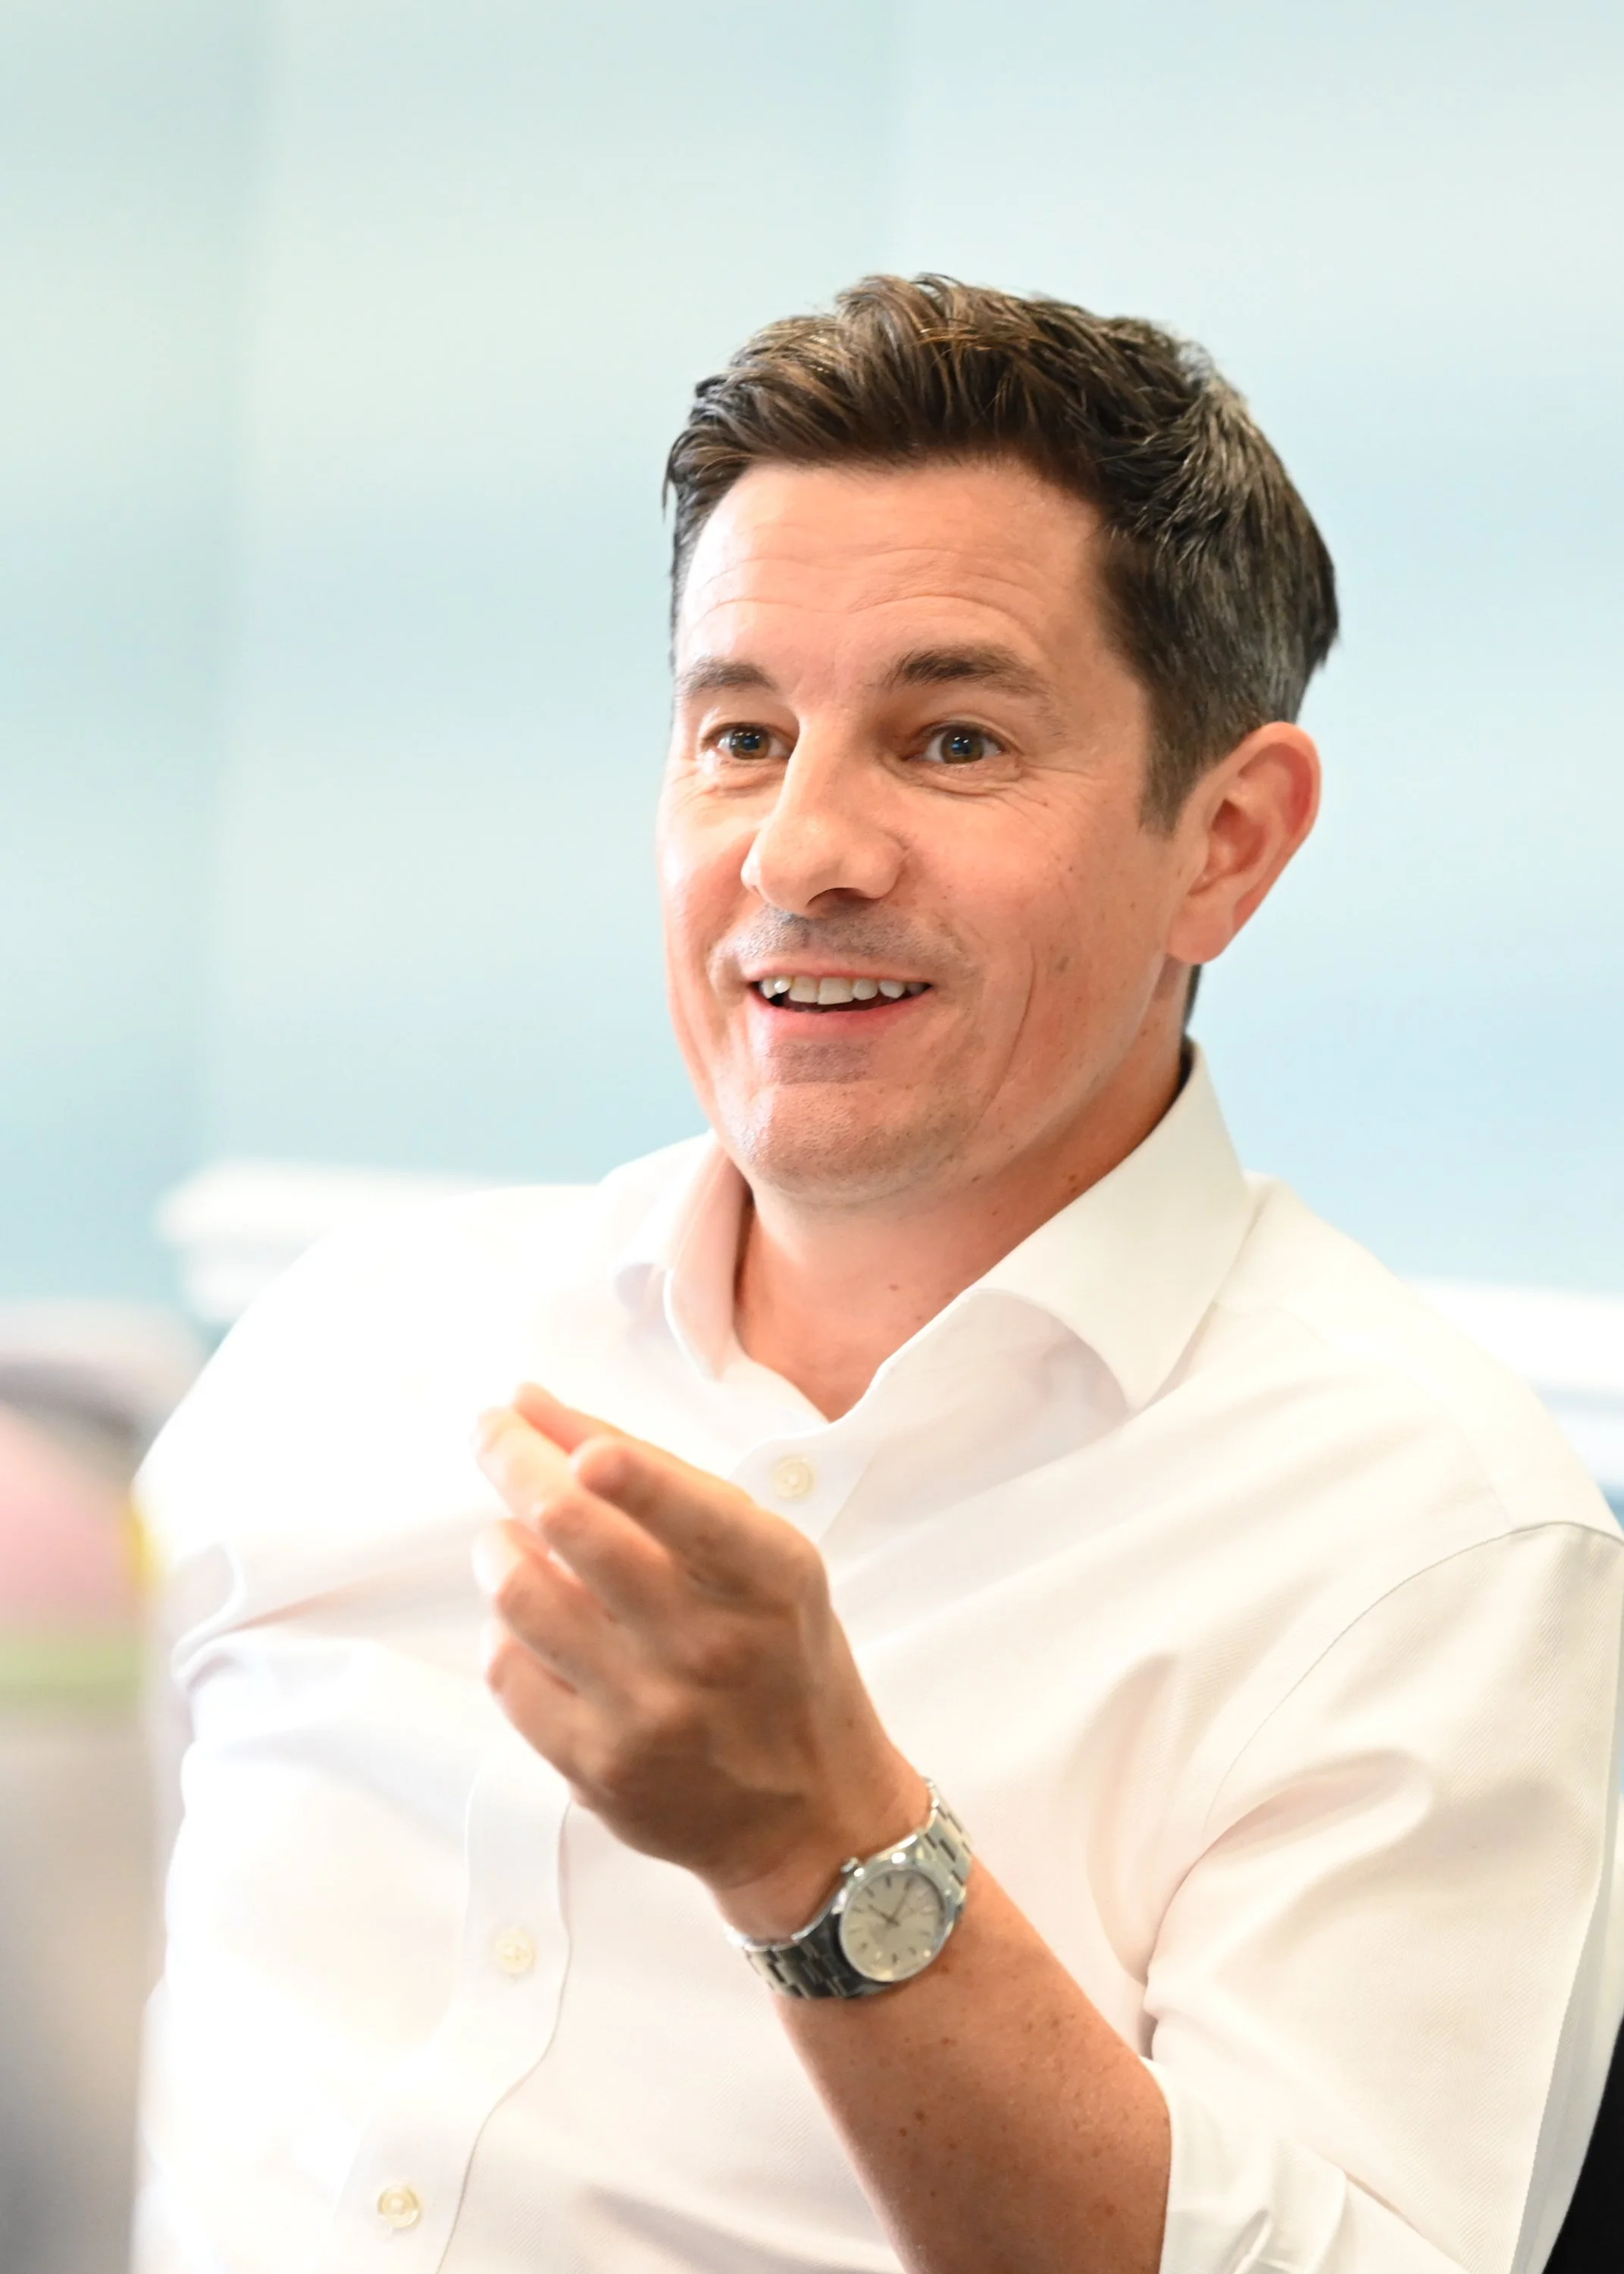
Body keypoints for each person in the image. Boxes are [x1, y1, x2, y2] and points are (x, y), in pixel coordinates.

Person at [134, 275, 1623, 2274]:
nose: (800, 850)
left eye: (948, 737)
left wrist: (821, 1848)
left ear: (1227, 842)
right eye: (738, 732)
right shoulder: (343, 1352)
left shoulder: (1427, 1547)